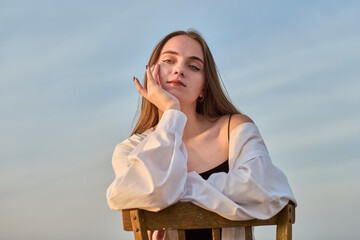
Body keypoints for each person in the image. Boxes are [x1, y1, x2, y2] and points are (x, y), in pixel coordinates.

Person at [106, 30, 296, 240]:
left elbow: (266, 189)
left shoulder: (235, 129)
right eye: (169, 60)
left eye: (193, 66)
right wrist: (171, 112)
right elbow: (141, 193)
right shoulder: (130, 150)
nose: (179, 70)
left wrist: (177, 188)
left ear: (204, 88)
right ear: (151, 74)